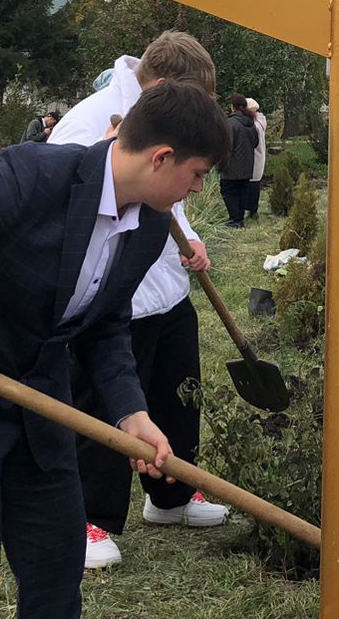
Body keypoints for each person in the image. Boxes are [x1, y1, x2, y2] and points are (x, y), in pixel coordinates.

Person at [0, 81, 231, 619]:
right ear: (161, 157)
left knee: (56, 567)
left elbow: (105, 325)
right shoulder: (33, 177)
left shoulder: (148, 224)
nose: (197, 189)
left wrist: (132, 412)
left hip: (41, 401)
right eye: (196, 174)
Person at [51, 31, 230, 569]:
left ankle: (171, 498)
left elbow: (172, 187)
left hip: (167, 288)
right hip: (113, 295)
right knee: (107, 406)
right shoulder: (90, 123)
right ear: (164, 87)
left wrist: (189, 233)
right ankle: (88, 519)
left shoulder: (167, 121)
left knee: (179, 393)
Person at [219, 95, 259, 228]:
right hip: (247, 165)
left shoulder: (231, 124)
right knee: (242, 192)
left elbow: (227, 146)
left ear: (233, 106)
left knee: (229, 192)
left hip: (232, 166)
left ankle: (234, 219)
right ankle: (239, 218)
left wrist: (221, 163)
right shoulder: (251, 123)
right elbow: (255, 143)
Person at [244, 98, 268, 222]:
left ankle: (252, 210)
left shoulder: (255, 125)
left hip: (254, 156)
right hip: (258, 157)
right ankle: (252, 210)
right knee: (254, 183)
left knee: (252, 185)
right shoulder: (260, 121)